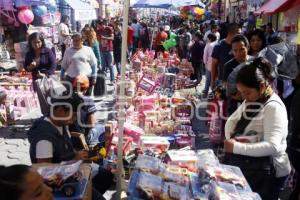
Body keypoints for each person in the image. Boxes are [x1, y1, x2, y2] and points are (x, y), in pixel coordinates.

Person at [223, 57, 291, 200]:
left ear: (261, 86)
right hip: (250, 168)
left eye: (247, 92)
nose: (243, 97)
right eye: (241, 92)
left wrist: (236, 147)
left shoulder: (273, 107)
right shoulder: (253, 99)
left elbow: (273, 146)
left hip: (267, 175)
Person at [27, 92, 114, 194]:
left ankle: (90, 191)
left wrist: (79, 155)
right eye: (73, 116)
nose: (74, 120)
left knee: (107, 176)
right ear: (60, 110)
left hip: (70, 168)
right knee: (100, 181)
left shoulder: (60, 123)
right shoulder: (44, 138)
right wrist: (74, 160)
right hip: (58, 182)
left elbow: (67, 148)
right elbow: (44, 170)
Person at [70, 74, 107, 146]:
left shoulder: (65, 98)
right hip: (82, 138)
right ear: (86, 88)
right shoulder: (87, 100)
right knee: (102, 128)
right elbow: (92, 123)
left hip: (68, 137)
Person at [211, 23, 240, 88]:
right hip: (223, 82)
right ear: (232, 32)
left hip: (239, 82)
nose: (240, 35)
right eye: (238, 33)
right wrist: (213, 81)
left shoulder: (241, 46)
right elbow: (214, 65)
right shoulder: (219, 46)